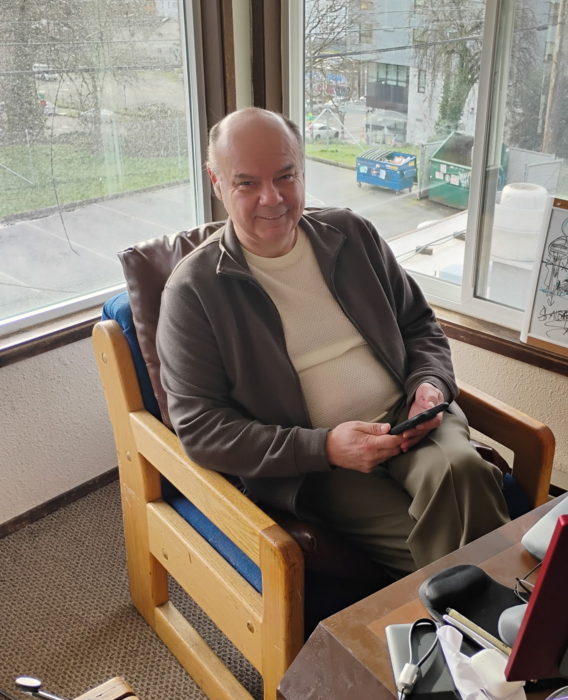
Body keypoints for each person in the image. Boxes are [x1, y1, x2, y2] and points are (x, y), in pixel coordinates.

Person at [156, 108, 510, 577]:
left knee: (463, 471)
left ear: (302, 169)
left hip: (410, 418)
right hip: (318, 466)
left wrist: (430, 382)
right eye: (246, 183)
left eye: (286, 175)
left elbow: (419, 324)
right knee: (453, 542)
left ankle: (480, 623)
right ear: (217, 183)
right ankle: (506, 617)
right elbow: (201, 429)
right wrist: (324, 448)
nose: (272, 197)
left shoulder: (352, 234)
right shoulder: (194, 291)